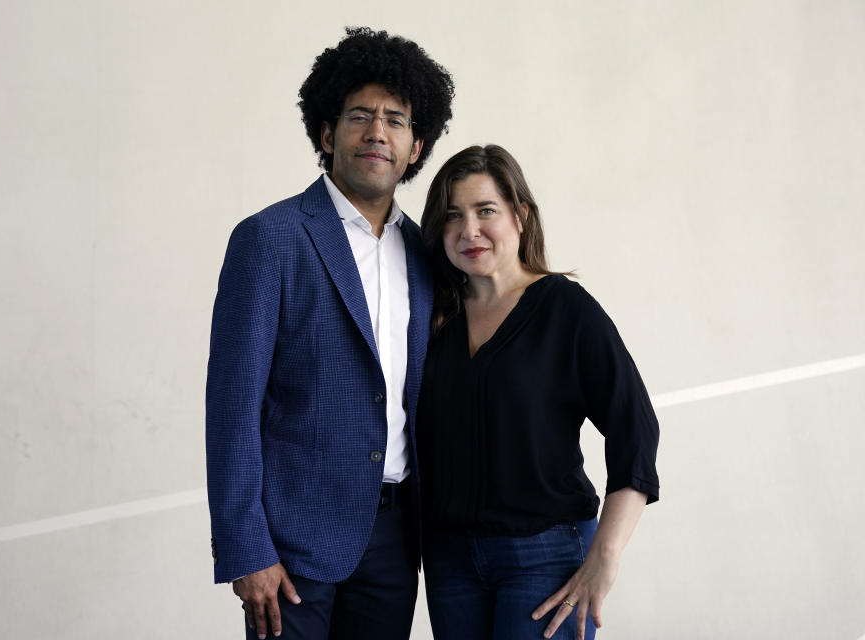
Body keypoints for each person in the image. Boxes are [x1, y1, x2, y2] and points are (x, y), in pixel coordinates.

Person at [205, 27, 454, 640]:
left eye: (396, 120)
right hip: (289, 542)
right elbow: (232, 406)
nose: (377, 132)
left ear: (416, 146)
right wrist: (246, 548)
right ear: (326, 133)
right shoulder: (270, 239)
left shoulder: (427, 252)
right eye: (360, 116)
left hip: (396, 541)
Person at [416, 145, 660, 640]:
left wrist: (605, 557)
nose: (469, 231)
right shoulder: (432, 319)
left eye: (486, 211)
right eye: (453, 216)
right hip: (450, 563)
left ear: (520, 215)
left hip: (545, 557)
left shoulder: (565, 311)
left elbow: (635, 429)